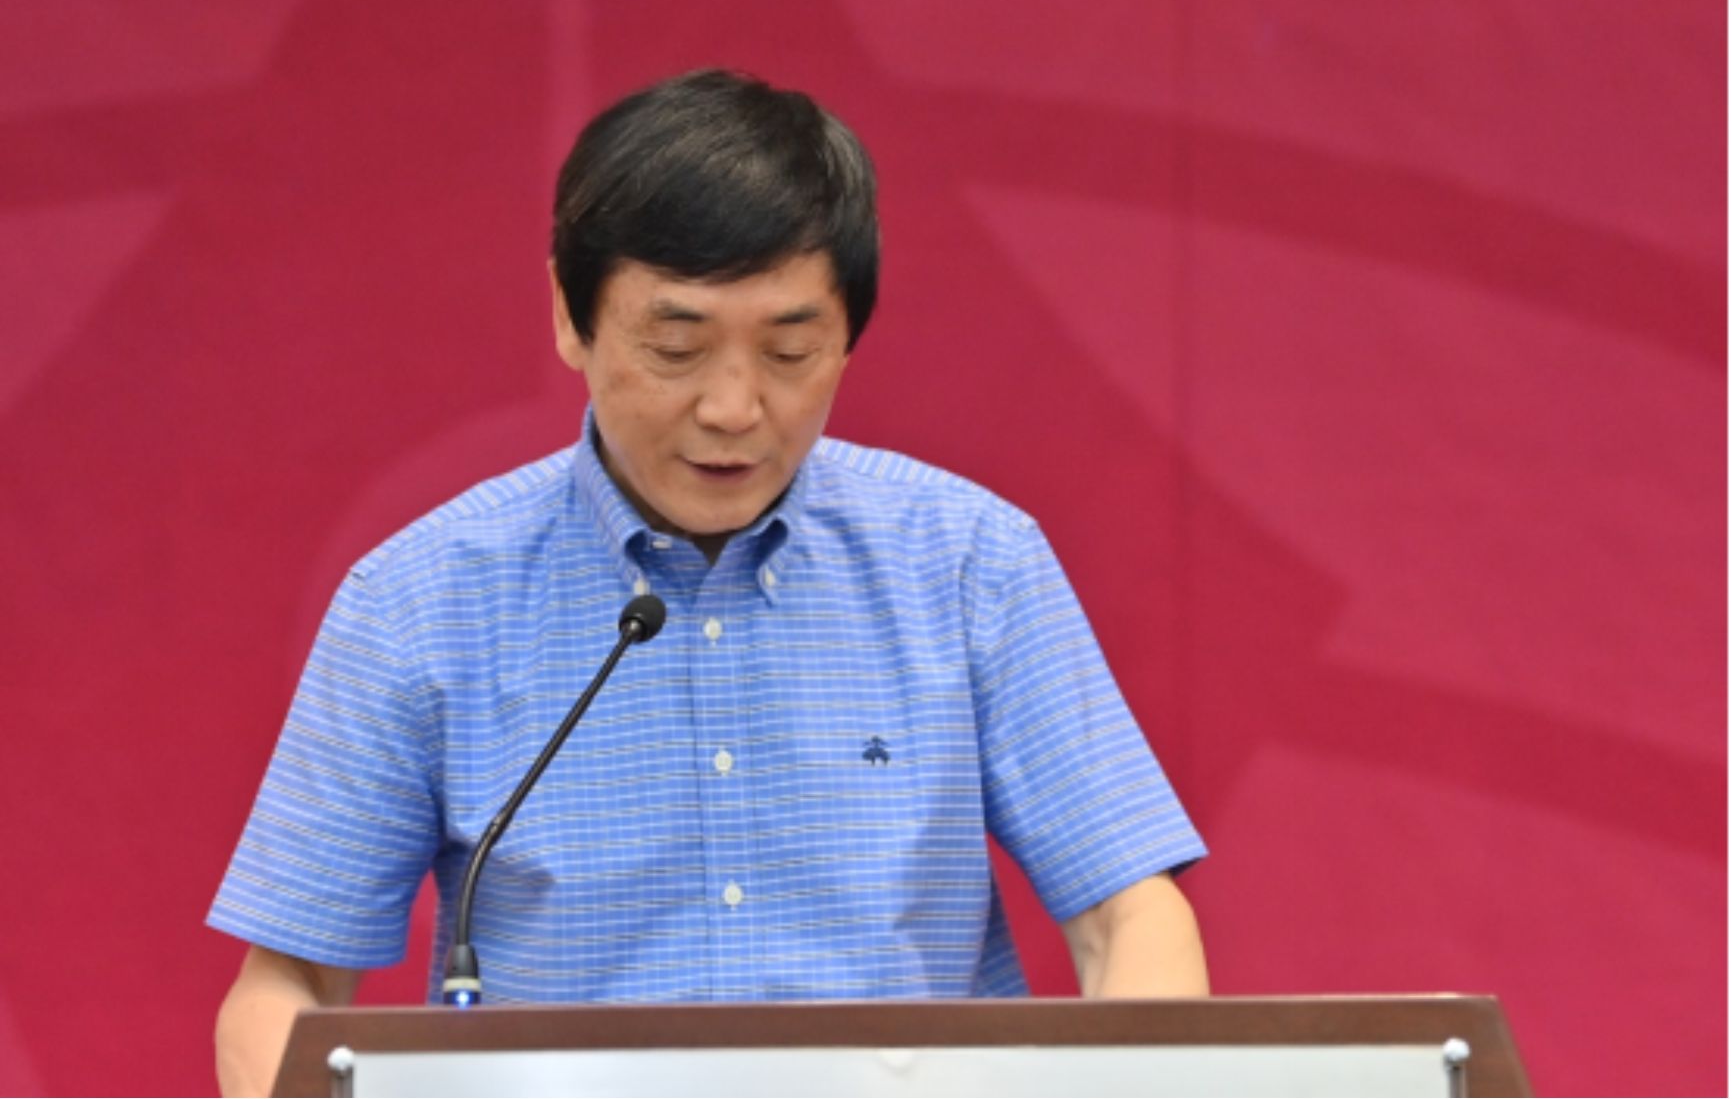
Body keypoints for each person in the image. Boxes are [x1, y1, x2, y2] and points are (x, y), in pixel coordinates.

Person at [210, 69, 1209, 1097]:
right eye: (676, 347)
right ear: (570, 315)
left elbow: (1129, 917)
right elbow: (288, 984)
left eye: (790, 350)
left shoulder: (968, 562)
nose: (733, 407)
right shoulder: (420, 601)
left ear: (849, 335)